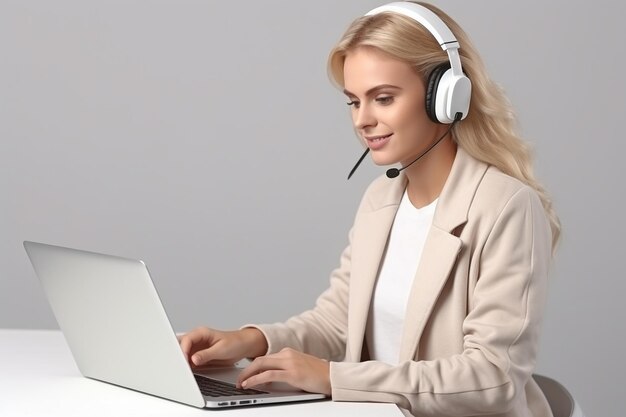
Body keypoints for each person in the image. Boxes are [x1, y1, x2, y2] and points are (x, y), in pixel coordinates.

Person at [178, 2, 560, 416]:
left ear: (445, 96)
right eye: (353, 102)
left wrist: (332, 378)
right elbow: (338, 325)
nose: (363, 119)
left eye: (382, 98)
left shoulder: (505, 207)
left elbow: (492, 377)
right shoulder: (381, 200)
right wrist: (251, 341)